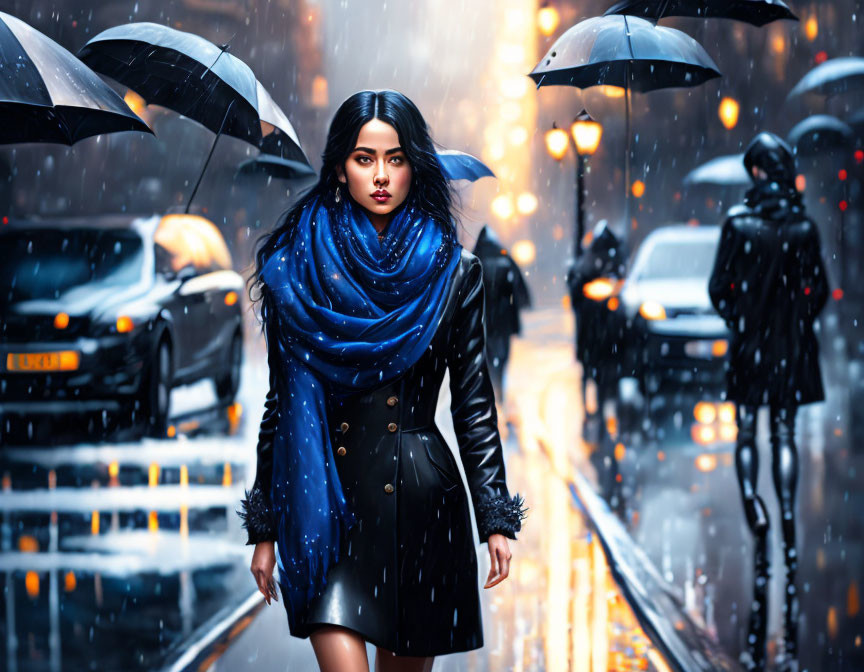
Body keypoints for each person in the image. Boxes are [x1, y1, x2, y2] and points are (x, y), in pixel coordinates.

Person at [236, 90, 527, 672]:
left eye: (395, 158)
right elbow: (280, 406)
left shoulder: (455, 274)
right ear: (340, 166)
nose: (380, 175)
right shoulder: (298, 270)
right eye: (364, 158)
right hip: (329, 506)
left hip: (419, 510)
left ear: (415, 165)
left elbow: (473, 406)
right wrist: (264, 528)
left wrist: (494, 517)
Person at [708, 132, 829, 672]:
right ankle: (783, 508)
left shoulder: (737, 223)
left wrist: (742, 318)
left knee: (745, 430)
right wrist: (795, 318)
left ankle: (754, 507)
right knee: (784, 431)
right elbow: (819, 290)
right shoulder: (803, 227)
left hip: (751, 347)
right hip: (791, 347)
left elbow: (719, 288)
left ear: (757, 173)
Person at [471, 224, 532, 403]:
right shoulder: (504, 257)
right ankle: (499, 389)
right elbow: (518, 287)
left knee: (487, 356)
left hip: (484, 318)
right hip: (504, 319)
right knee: (502, 355)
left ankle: (491, 390)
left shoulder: (475, 258)